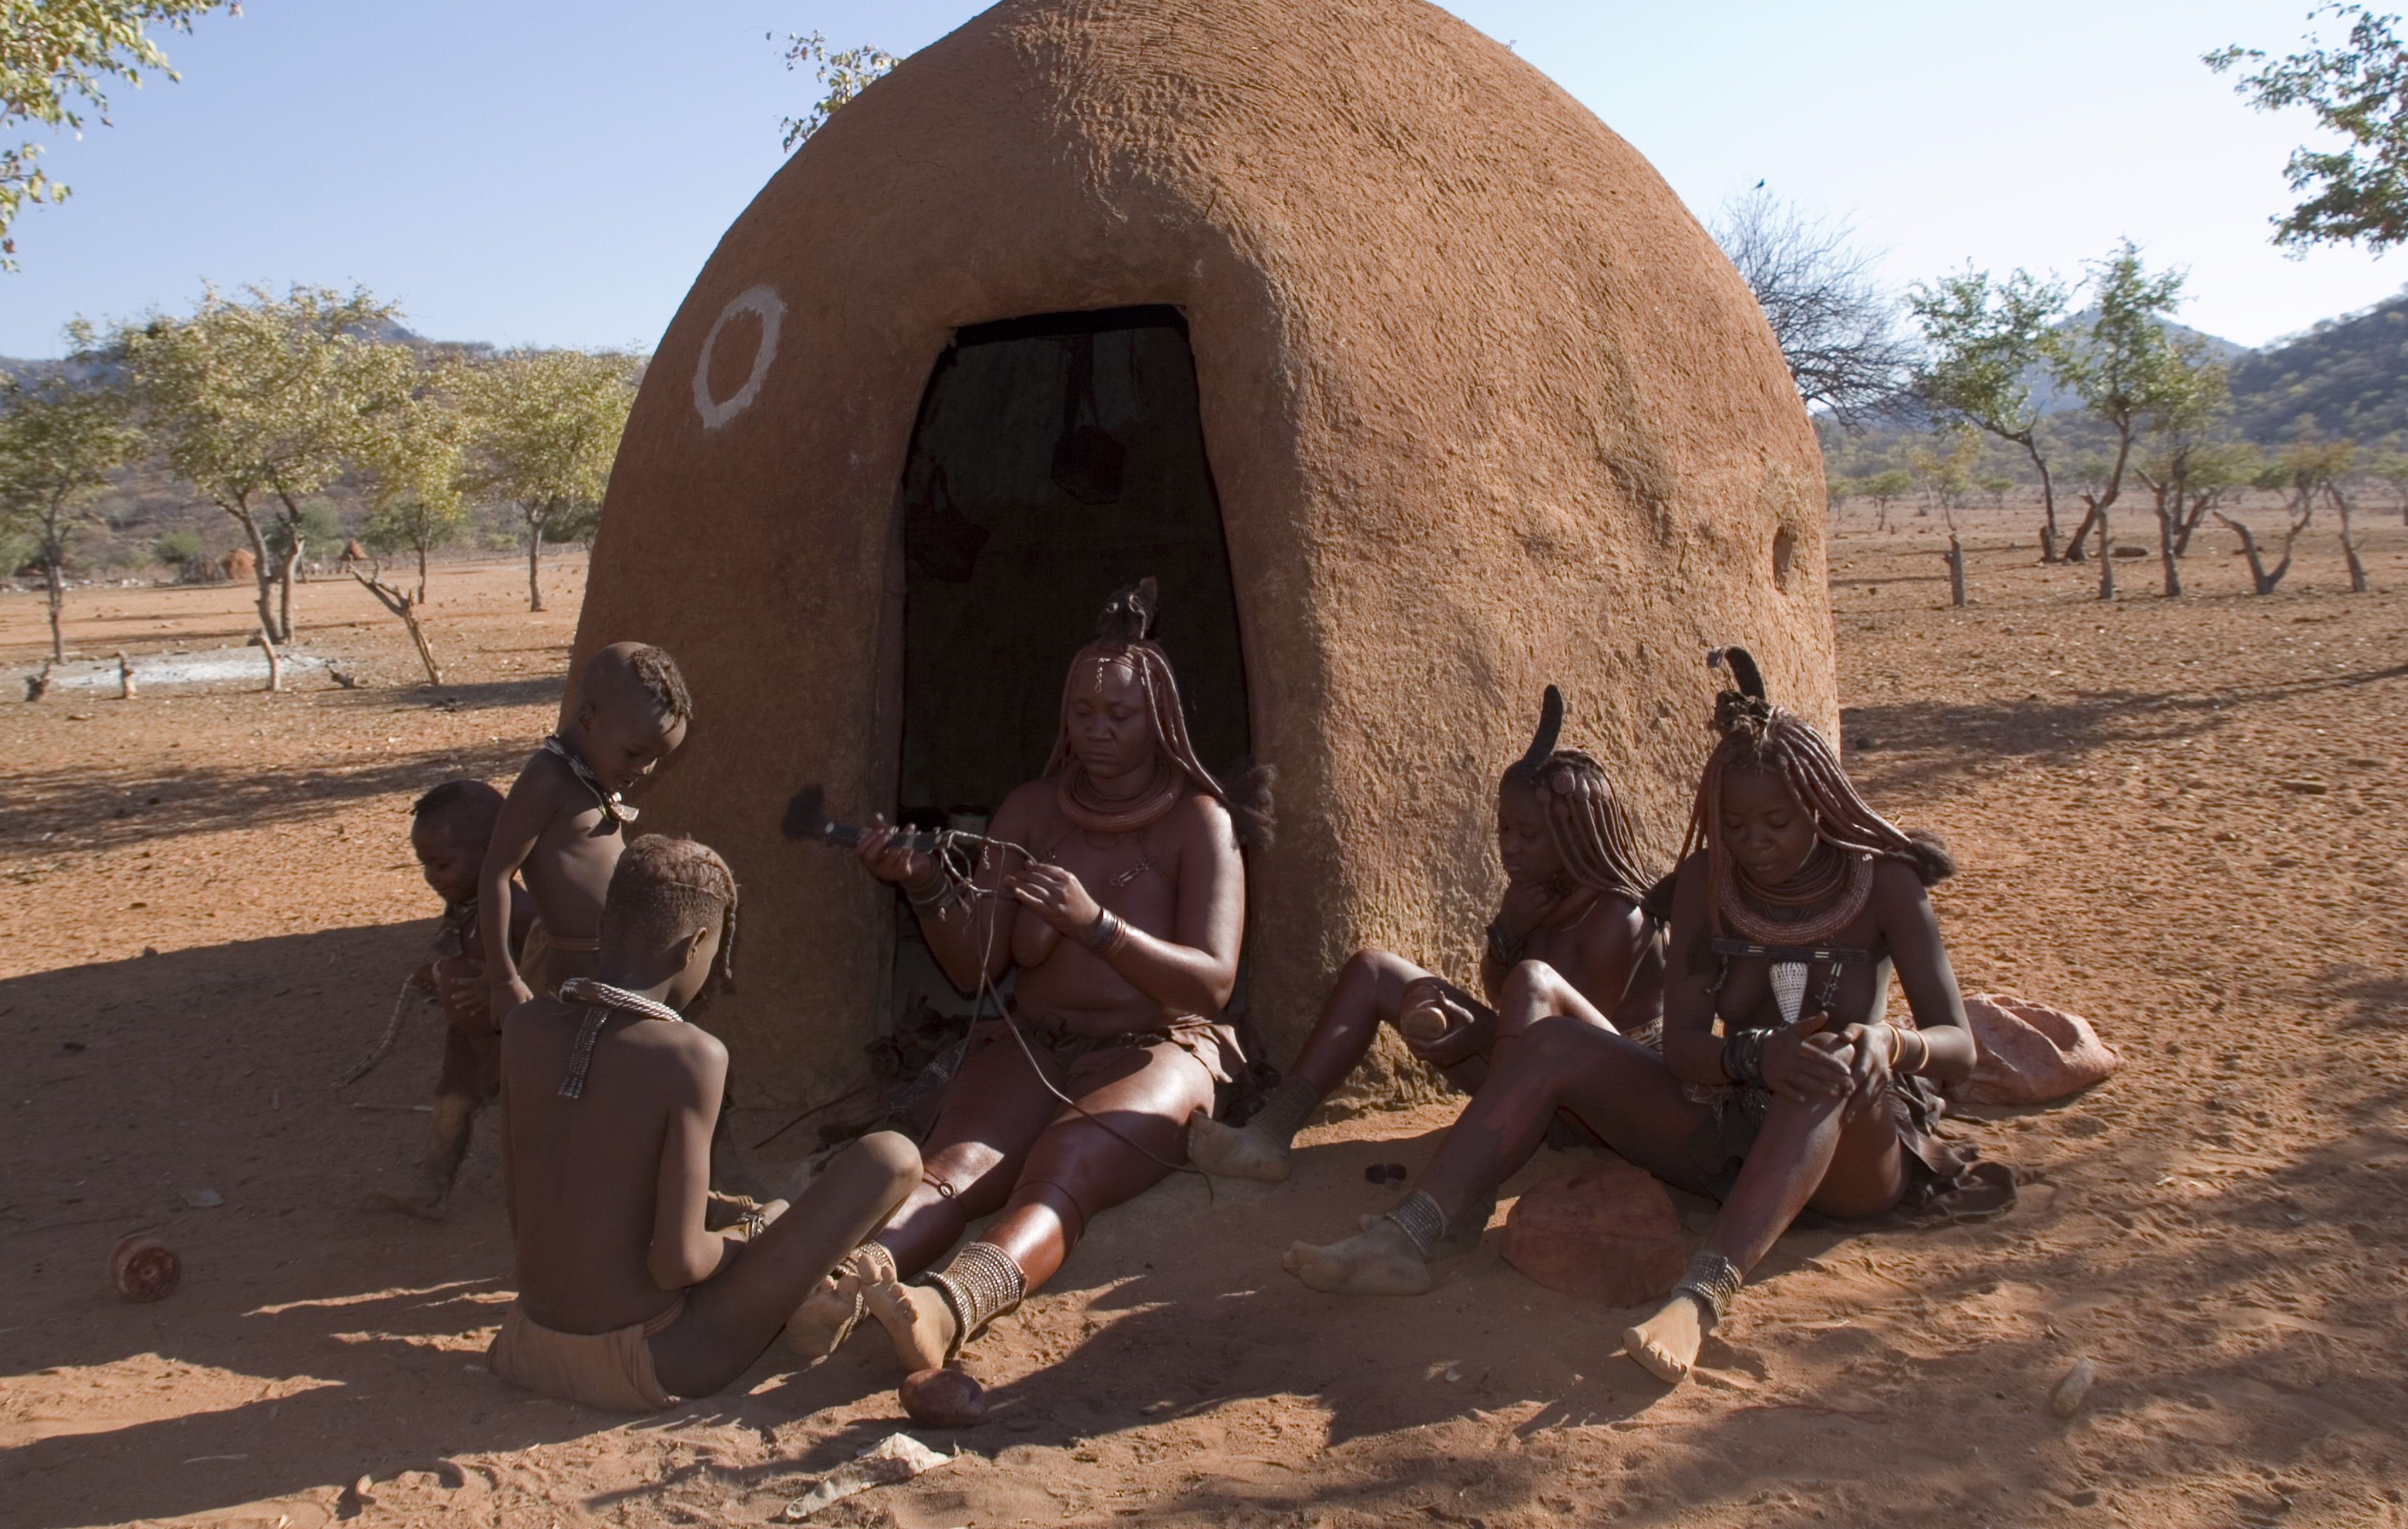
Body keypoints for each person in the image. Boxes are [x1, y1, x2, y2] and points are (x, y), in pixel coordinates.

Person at [1281, 649, 2008, 1387]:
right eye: (1734, 822)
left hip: (1853, 1153)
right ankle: (1412, 1233)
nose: (1754, 840)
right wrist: (1752, 1056)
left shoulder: (1886, 882)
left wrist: (1886, 1040)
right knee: (1555, 1042)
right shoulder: (1703, 881)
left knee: (1822, 1072)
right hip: (1726, 1128)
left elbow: (1959, 1049)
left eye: (1777, 822)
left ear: (1820, 803)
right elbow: (1687, 1047)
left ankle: (1698, 1298)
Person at [790, 578, 1268, 1377]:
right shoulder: (1030, 810)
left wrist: (1099, 927)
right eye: (1083, 714)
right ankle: (847, 1281)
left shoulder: (1199, 823)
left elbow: (1212, 985)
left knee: (1067, 1164)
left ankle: (949, 1305)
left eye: (1120, 716)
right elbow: (976, 967)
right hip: (1036, 1039)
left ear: (1161, 720)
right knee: (957, 1164)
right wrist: (929, 888)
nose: (1098, 732)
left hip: (1158, 1047)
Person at [489, 835, 923, 1414]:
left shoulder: (525, 1028)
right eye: (717, 955)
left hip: (524, 1344)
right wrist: (764, 1243)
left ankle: (796, 1291)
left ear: (607, 924)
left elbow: (533, 1210)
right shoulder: (691, 1056)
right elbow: (678, 1263)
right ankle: (804, 1307)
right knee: (891, 1158)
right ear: (695, 945)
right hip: (650, 1361)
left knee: (760, 1219)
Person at [1189, 686, 1665, 1188]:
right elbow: (1503, 992)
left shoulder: (1618, 917)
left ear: (1576, 836)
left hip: (1599, 1117)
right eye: (1504, 830)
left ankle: (1454, 1200)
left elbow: (1571, 1048)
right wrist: (1507, 935)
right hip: (1534, 1083)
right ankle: (1270, 1129)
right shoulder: (1538, 894)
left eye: (1529, 835)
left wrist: (1477, 1031)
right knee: (1374, 971)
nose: (1510, 848)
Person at [481, 642, 691, 1018]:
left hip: (611, 973)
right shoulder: (548, 779)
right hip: (567, 978)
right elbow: (495, 874)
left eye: (657, 758)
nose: (645, 770)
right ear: (588, 719)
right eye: (634, 753)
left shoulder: (594, 777)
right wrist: (504, 980)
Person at [372, 778, 529, 1219]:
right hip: (469, 1040)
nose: (432, 878)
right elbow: (458, 956)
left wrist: (500, 983)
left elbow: (553, 961)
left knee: (538, 1119)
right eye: (425, 866)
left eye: (442, 864)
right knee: (451, 1106)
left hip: (516, 1037)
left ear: (492, 850)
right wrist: (436, 975)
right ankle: (432, 1189)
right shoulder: (463, 906)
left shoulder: (518, 910)